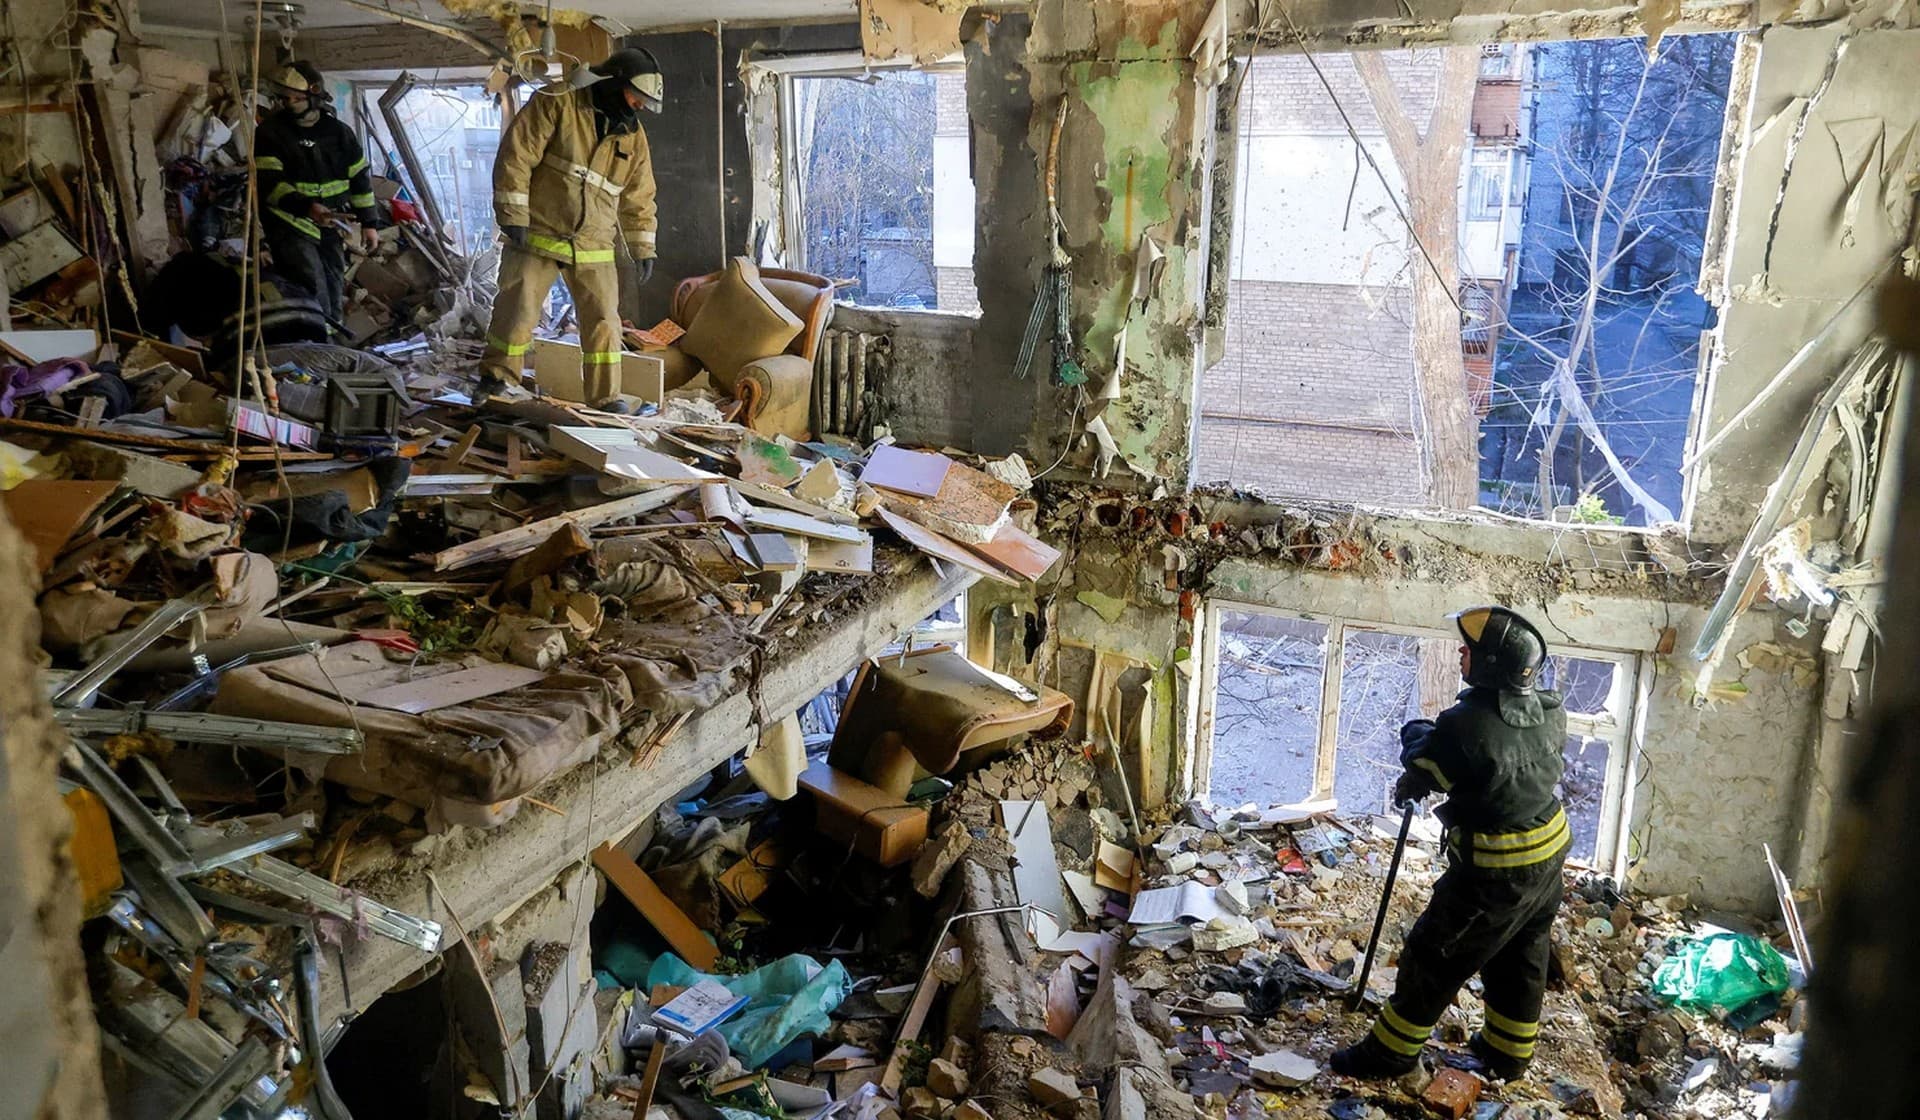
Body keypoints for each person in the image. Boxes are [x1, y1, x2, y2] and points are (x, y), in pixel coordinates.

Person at [1331, 605, 1570, 1082]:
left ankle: (1391, 1053)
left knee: (1435, 953)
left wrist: (1417, 735)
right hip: (1547, 858)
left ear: (1490, 666)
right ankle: (1507, 1052)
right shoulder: (1550, 708)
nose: (1462, 650)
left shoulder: (1465, 724)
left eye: (1472, 649)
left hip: (1494, 872)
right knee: (1522, 953)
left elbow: (1429, 770)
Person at [477, 47, 662, 402]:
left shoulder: (632, 137)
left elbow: (639, 195)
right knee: (516, 313)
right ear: (613, 82)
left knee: (605, 325)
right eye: (635, 97)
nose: (638, 107)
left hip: (594, 244)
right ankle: (497, 379)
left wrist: (643, 248)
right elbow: (516, 158)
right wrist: (513, 216)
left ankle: (606, 399)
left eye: (644, 102)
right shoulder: (557, 102)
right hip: (537, 234)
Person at [253, 62, 379, 321]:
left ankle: (332, 337)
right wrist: (306, 207)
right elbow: (270, 183)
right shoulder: (270, 133)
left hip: (331, 223)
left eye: (297, 98)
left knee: (334, 281)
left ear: (314, 95)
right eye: (285, 98)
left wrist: (369, 223)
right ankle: (316, 343)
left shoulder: (339, 132)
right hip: (290, 224)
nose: (290, 103)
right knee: (311, 284)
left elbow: (359, 180)